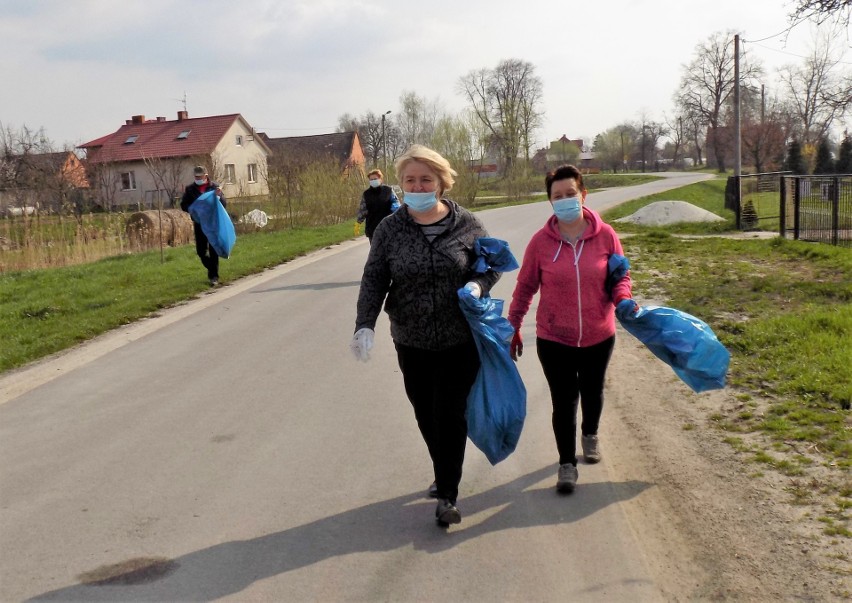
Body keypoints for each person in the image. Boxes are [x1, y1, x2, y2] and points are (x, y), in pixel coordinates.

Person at [351, 145, 500, 526]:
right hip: (411, 339)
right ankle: (443, 466)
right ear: (401, 185)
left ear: (441, 182)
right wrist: (364, 323)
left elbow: (491, 265)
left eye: (426, 179)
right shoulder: (390, 229)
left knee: (450, 414)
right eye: (410, 180)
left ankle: (448, 493)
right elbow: (375, 278)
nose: (418, 185)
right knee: (425, 412)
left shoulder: (467, 224)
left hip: (459, 339)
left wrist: (479, 286)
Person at [507, 164, 634, 494]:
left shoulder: (605, 235)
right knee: (564, 401)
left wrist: (622, 300)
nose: (564, 200)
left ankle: (590, 433)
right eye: (557, 196)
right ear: (550, 201)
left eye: (570, 194)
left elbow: (620, 275)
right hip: (554, 338)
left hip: (598, 334)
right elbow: (524, 288)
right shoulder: (540, 243)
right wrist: (513, 326)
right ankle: (566, 463)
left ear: (583, 195)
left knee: (592, 393)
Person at [181, 165, 226, 286]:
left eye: (200, 176)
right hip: (199, 223)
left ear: (206, 176)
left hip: (212, 223)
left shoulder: (214, 187)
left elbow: (223, 204)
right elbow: (183, 205)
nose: (198, 178)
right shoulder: (190, 189)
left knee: (213, 249)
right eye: (196, 176)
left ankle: (214, 277)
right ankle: (212, 269)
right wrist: (192, 208)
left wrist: (218, 196)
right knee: (201, 251)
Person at [355, 169, 399, 242]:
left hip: (388, 227)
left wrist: (396, 214)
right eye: (371, 179)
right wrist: (358, 222)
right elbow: (363, 210)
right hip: (373, 228)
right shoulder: (366, 194)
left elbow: (395, 203)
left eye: (375, 179)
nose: (373, 181)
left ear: (380, 179)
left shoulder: (388, 190)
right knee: (375, 251)